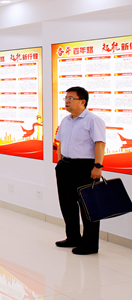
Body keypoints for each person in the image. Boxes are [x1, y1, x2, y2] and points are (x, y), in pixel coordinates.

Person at [55, 86, 106, 255]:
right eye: (66, 98)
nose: (67, 101)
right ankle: (73, 238)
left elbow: (100, 144)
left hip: (85, 168)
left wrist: (97, 166)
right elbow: (60, 142)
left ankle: (90, 244)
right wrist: (60, 162)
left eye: (71, 98)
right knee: (67, 204)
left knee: (88, 206)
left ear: (82, 101)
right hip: (66, 166)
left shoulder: (93, 120)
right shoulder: (66, 120)